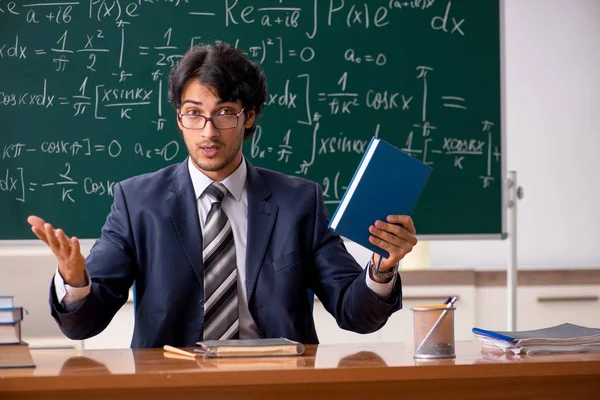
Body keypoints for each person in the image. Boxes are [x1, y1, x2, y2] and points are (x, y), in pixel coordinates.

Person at [27, 41, 418, 348]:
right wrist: (74, 280)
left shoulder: (299, 202)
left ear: (248, 117)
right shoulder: (137, 203)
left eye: (225, 112)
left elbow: (356, 314)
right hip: (173, 386)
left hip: (277, 384)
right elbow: (85, 324)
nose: (208, 132)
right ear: (179, 118)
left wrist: (382, 269)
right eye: (194, 113)